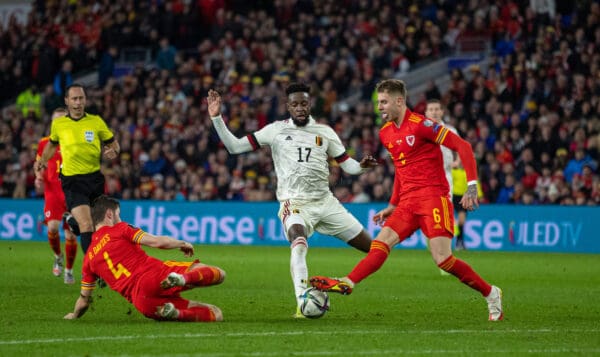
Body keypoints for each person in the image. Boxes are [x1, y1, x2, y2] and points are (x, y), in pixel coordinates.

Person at [310, 79, 503, 321]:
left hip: (433, 197)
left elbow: (462, 146)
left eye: (384, 102)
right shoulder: (385, 133)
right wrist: (393, 204)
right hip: (408, 202)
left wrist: (472, 185)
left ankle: (491, 293)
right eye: (378, 102)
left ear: (399, 101)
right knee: (380, 243)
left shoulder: (422, 125)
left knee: (443, 260)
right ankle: (348, 281)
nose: (379, 107)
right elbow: (401, 170)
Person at [207, 83, 378, 317]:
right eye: (295, 104)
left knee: (373, 248)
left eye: (304, 103)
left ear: (310, 104)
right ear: (288, 106)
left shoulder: (325, 132)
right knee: (298, 241)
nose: (300, 108)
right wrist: (217, 118)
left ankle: (345, 282)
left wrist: (361, 167)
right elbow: (234, 147)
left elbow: (347, 165)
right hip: (294, 204)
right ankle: (303, 300)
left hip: (326, 203)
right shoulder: (275, 130)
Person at [63, 195, 225, 322]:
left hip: (143, 302)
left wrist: (74, 315)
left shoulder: (89, 259)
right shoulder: (120, 229)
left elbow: (84, 299)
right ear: (109, 214)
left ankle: (178, 314)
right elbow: (156, 241)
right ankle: (183, 278)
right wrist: (181, 243)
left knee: (214, 314)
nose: (120, 218)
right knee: (219, 274)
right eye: (118, 214)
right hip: (153, 276)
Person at [35, 84, 120, 255]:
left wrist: (114, 151)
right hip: (72, 180)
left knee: (97, 227)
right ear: (67, 101)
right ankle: (92, 269)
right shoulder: (59, 125)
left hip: (95, 179)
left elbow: (114, 144)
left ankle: (72, 222)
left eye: (81, 98)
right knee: (87, 224)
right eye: (74, 98)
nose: (78, 102)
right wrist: (43, 160)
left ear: (85, 100)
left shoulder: (96, 122)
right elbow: (51, 145)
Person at [34, 107, 77, 284]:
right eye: (55, 120)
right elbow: (39, 164)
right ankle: (58, 256)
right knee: (52, 227)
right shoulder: (45, 142)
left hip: (72, 191)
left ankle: (68, 270)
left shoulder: (75, 141)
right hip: (52, 190)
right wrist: (38, 177)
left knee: (71, 235)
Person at [424, 99, 466, 251]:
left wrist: (457, 161)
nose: (434, 112)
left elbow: (461, 148)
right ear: (426, 113)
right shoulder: (420, 130)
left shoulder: (450, 130)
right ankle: (433, 237)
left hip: (445, 174)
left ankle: (444, 243)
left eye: (437, 109)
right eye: (431, 109)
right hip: (425, 177)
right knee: (427, 210)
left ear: (442, 112)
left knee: (445, 209)